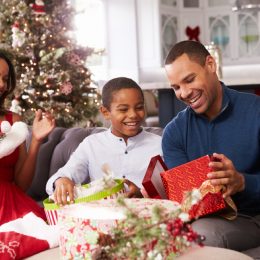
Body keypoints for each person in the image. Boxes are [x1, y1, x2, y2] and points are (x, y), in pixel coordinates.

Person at [162, 40, 260, 254]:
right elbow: (187, 199)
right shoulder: (173, 133)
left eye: (189, 80)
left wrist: (243, 182)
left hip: (252, 216)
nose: (184, 93)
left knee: (197, 237)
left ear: (210, 65)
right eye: (176, 87)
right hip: (203, 219)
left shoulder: (256, 111)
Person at [46, 77, 162, 205]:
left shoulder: (160, 144)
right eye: (123, 109)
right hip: (101, 218)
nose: (133, 114)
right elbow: (62, 175)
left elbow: (173, 190)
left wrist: (144, 195)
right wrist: (61, 180)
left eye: (139, 107)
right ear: (105, 112)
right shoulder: (91, 144)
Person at [0, 51, 55, 225]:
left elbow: (22, 184)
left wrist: (36, 141)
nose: (1, 84)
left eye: (5, 78)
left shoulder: (13, 121)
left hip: (9, 204)